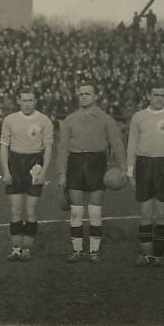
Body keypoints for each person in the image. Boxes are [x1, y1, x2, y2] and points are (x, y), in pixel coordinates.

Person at [56, 81, 126, 263]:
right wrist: (62, 174)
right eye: (81, 94)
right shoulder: (70, 120)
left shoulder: (106, 119)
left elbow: (117, 145)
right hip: (76, 164)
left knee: (95, 211)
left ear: (95, 96)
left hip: (97, 163)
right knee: (76, 211)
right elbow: (62, 149)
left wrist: (124, 168)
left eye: (87, 93)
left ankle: (94, 251)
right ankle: (77, 250)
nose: (84, 96)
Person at [126, 84, 164, 267]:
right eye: (155, 94)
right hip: (144, 165)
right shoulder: (139, 117)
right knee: (145, 211)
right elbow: (131, 145)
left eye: (162, 95)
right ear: (148, 95)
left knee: (161, 213)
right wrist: (130, 173)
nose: (159, 98)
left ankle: (159, 255)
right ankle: (145, 254)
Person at [0, 88, 54, 261]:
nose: (27, 104)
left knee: (30, 209)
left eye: (30, 100)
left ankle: (27, 249)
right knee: (15, 210)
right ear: (18, 101)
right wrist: (6, 171)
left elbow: (48, 149)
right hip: (15, 164)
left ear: (36, 101)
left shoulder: (44, 121)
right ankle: (16, 248)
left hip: (34, 164)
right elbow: (4, 147)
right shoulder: (10, 120)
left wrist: (43, 173)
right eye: (24, 100)